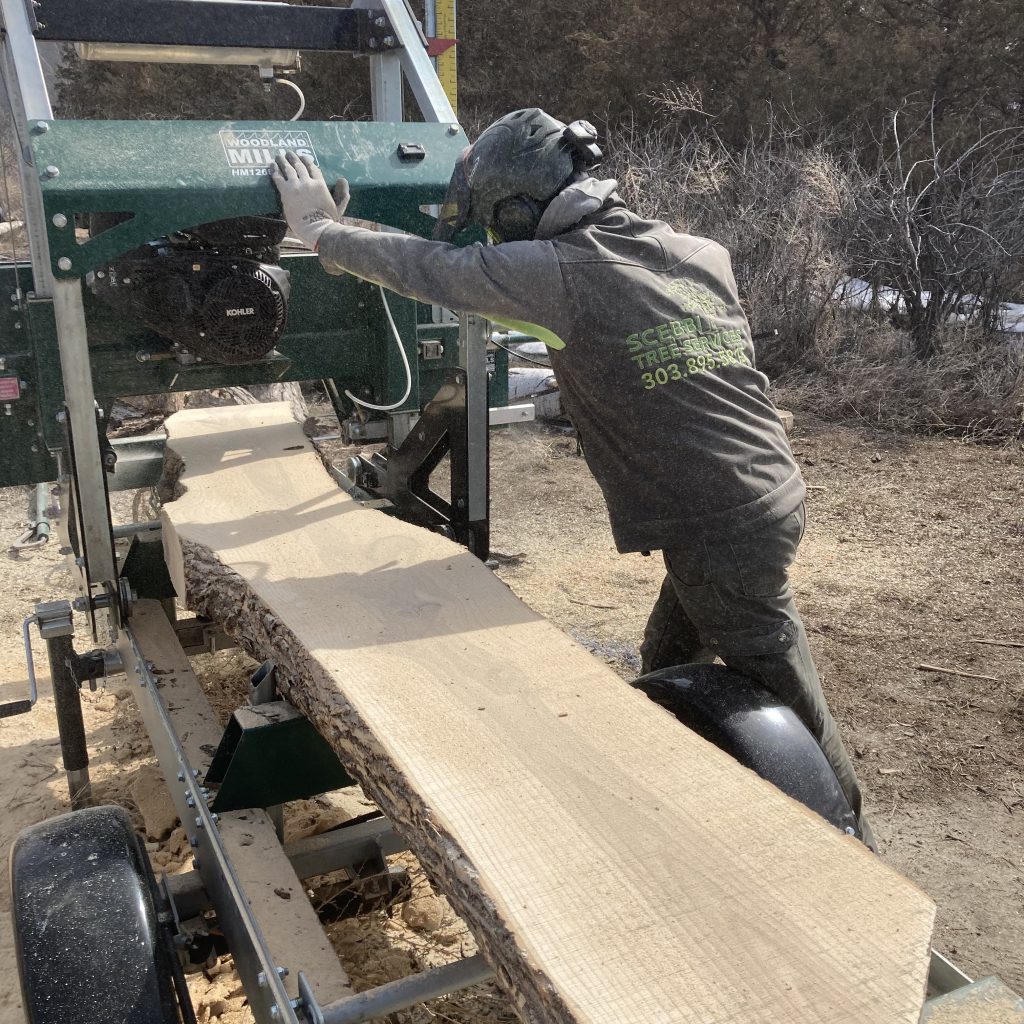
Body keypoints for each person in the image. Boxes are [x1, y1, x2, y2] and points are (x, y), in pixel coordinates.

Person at [270, 108, 872, 844]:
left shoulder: (555, 270)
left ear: (520, 210)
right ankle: (674, 766)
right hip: (769, 488)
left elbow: (432, 272)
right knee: (670, 655)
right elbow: (684, 356)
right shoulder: (691, 250)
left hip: (714, 523)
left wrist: (323, 234)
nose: (496, 239)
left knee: (778, 678)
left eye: (496, 224)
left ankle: (849, 834)